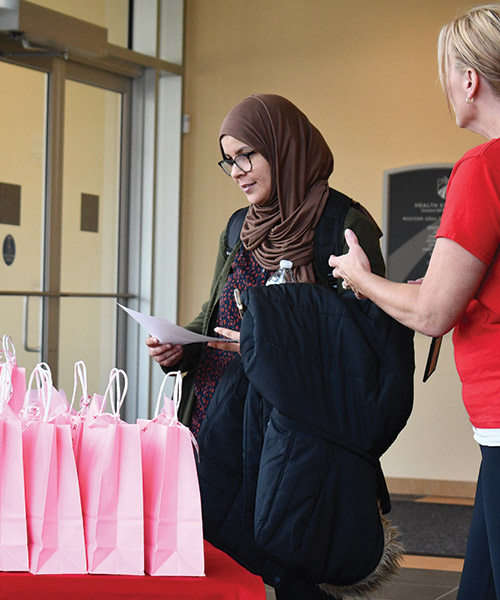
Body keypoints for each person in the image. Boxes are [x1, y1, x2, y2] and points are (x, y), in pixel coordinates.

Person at [330, 5, 500, 597]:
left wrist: (360, 276)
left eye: (446, 73)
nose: (445, 87)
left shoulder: (482, 168)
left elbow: (433, 311)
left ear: (471, 78)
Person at [147, 93, 386, 437]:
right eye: (229, 161)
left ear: (283, 149)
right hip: (215, 417)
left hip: (293, 429)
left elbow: (365, 342)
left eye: (245, 156)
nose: (235, 173)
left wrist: (269, 344)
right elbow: (217, 315)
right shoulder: (238, 227)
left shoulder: (342, 226)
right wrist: (180, 347)